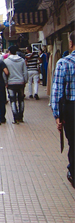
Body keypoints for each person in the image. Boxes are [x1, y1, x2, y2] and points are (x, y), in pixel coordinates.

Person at [51, 31, 75, 189]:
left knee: (73, 142)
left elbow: (58, 91)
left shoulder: (64, 63)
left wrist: (57, 115)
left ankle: (73, 172)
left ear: (71, 43)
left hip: (72, 109)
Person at [3, 45, 29, 123]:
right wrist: (25, 81)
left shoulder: (6, 61)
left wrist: (6, 82)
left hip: (11, 83)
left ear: (9, 52)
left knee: (13, 100)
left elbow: (4, 73)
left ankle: (16, 117)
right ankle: (21, 117)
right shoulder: (22, 60)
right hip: (21, 82)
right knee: (21, 100)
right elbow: (25, 72)